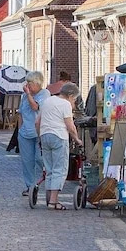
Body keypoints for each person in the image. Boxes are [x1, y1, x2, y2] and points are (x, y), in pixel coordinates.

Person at [35, 83, 82, 211]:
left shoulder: (47, 101)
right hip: (59, 136)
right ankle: (53, 201)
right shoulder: (65, 104)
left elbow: (37, 122)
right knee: (59, 169)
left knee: (49, 169)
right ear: (70, 95)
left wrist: (40, 136)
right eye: (74, 99)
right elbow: (70, 126)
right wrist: (77, 139)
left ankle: (50, 198)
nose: (74, 102)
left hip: (45, 135)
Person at [17, 71, 50, 196]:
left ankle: (48, 178)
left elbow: (35, 107)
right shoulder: (24, 96)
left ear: (37, 83)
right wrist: (19, 130)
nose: (27, 85)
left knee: (39, 159)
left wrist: (29, 95)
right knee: (27, 161)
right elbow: (20, 113)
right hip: (25, 133)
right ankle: (30, 187)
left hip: (39, 133)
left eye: (29, 83)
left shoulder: (45, 94)